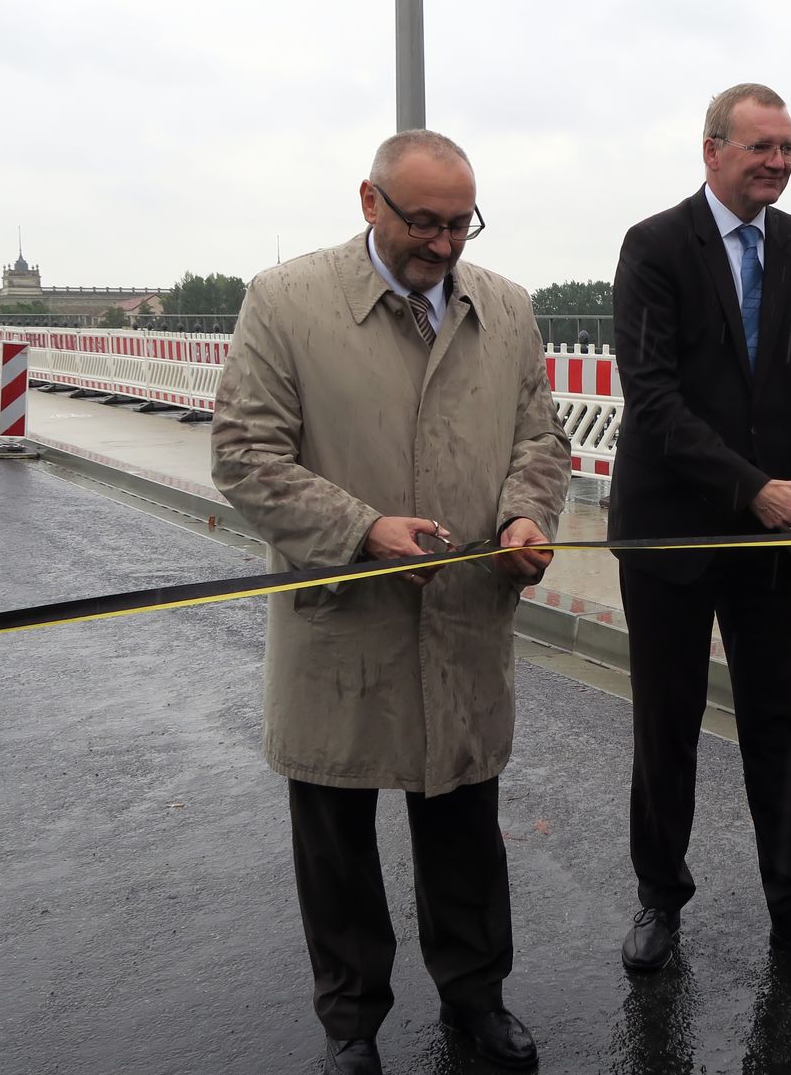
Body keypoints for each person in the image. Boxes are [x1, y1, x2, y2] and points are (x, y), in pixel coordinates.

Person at [211, 129, 569, 1075]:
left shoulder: (505, 307)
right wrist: (363, 529)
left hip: (465, 619)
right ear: (369, 202)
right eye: (424, 222)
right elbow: (244, 455)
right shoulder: (285, 302)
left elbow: (540, 440)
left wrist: (525, 516)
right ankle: (352, 1022)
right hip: (342, 622)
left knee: (464, 826)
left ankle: (476, 997)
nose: (444, 245)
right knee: (336, 838)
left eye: (461, 224)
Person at [608, 82, 791, 988]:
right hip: (672, 528)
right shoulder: (655, 246)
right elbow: (653, 399)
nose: (776, 163)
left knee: (784, 722)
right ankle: (660, 898)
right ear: (712, 150)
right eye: (760, 146)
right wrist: (749, 488)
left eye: (787, 149)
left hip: (778, 527)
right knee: (668, 721)